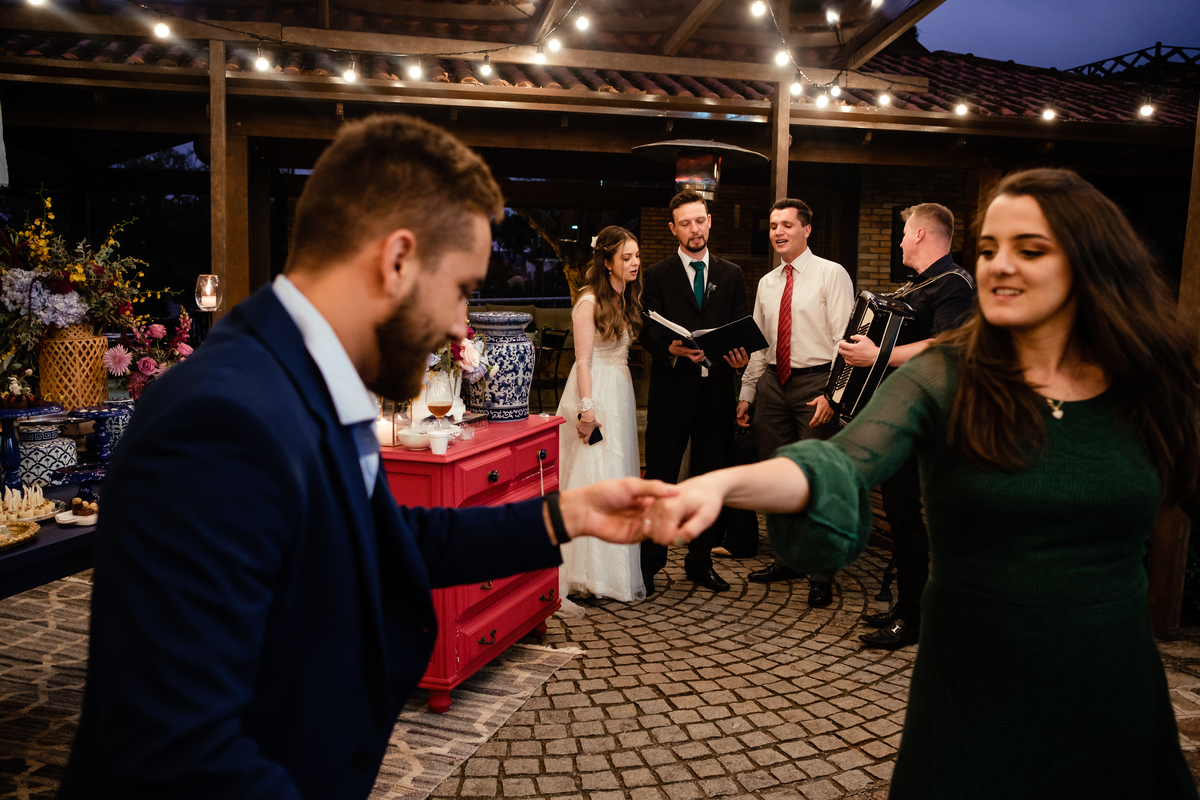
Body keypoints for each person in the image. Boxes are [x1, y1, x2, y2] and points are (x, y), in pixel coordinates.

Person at [57, 114, 680, 800]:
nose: (459, 325)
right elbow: (179, 754)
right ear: (397, 261)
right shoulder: (217, 420)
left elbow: (382, 537)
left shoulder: (312, 381)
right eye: (461, 289)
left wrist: (566, 515)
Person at [647, 168, 1200, 798]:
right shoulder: (947, 371)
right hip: (974, 690)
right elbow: (843, 461)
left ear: (1090, 261)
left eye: (1029, 249)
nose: (998, 265)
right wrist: (715, 488)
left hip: (1113, 695)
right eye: (989, 249)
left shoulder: (1148, 381)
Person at [837, 202, 974, 647]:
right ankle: (907, 607)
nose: (898, 242)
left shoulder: (954, 283)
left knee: (907, 516)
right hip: (902, 413)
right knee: (900, 514)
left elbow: (949, 346)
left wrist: (878, 355)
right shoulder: (916, 286)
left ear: (919, 234)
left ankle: (914, 618)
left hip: (927, 417)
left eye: (903, 234)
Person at [736, 198, 853, 607]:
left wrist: (834, 395)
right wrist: (747, 394)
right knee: (777, 478)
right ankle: (786, 559)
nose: (778, 232)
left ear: (806, 229)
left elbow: (844, 342)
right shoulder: (767, 283)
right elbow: (758, 345)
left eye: (787, 225)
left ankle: (821, 573)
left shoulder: (831, 274)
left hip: (816, 384)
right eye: (773, 226)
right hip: (773, 385)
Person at [638, 189, 749, 594]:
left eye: (700, 220)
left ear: (709, 221)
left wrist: (739, 358)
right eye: (685, 223)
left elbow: (741, 326)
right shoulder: (656, 275)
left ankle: (700, 562)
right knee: (661, 483)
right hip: (671, 395)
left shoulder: (732, 274)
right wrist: (667, 349)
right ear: (673, 229)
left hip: (716, 395)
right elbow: (645, 329)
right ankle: (649, 566)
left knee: (708, 484)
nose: (694, 229)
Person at [556, 226, 646, 603]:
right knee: (594, 478)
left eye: (636, 256)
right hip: (595, 394)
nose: (635, 263)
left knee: (616, 477)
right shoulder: (589, 302)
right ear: (607, 261)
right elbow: (583, 362)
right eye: (626, 257)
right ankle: (586, 573)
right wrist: (587, 412)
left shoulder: (625, 298)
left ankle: (613, 573)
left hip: (619, 391)